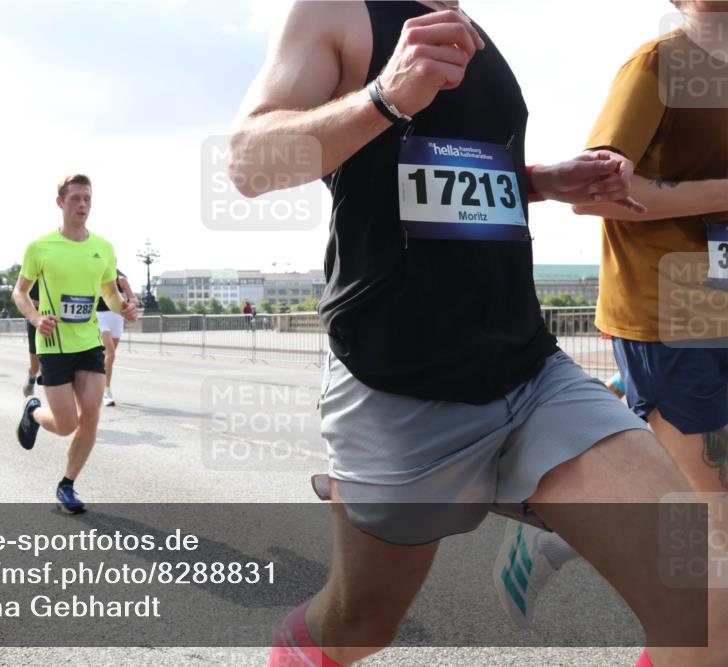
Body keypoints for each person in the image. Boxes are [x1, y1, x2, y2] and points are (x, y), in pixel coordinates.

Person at [229, 3, 723, 666]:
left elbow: (440, 172)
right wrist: (385, 96)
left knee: (706, 605)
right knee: (360, 625)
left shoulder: (470, 27)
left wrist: (542, 181)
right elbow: (249, 162)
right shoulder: (337, 11)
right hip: (397, 381)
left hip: (531, 373)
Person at [492, 0, 728, 654]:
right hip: (667, 315)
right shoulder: (658, 65)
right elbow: (594, 192)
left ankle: (571, 525)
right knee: (710, 539)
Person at [12, 174, 139, 513]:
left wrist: (124, 308)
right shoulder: (40, 247)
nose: (83, 205)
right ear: (60, 203)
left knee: (91, 415)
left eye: (87, 199)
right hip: (53, 344)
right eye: (75, 199)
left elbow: (109, 294)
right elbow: (19, 292)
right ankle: (33, 412)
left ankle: (67, 485)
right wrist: (36, 319)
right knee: (66, 424)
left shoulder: (104, 248)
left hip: (88, 342)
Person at [96, 269, 134, 406]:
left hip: (117, 318)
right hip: (99, 316)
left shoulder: (121, 280)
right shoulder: (95, 277)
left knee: (107, 358)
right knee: (110, 353)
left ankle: (97, 377)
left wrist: (131, 304)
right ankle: (107, 392)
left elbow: (132, 298)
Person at [23, 280, 42, 397]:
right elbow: (19, 295)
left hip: (55, 321)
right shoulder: (32, 277)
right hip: (35, 322)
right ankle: (31, 378)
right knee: (35, 366)